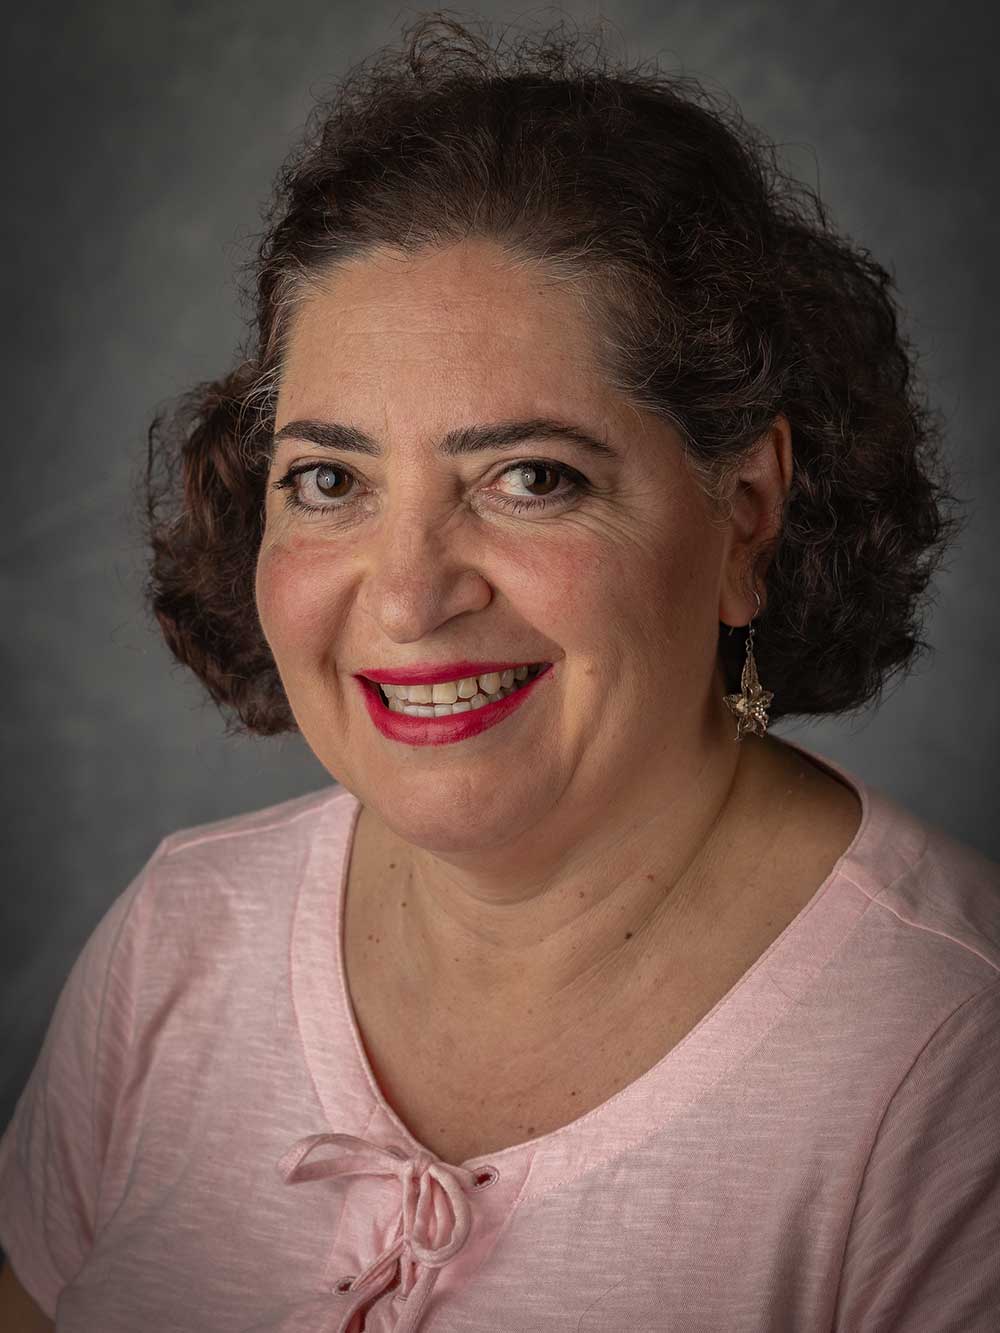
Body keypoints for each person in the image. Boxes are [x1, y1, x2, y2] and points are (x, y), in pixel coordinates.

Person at [2, 11, 997, 1331]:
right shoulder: (180, 937)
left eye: (532, 478)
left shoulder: (950, 1056)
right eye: (330, 480)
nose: (409, 596)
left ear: (746, 515)